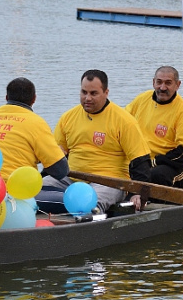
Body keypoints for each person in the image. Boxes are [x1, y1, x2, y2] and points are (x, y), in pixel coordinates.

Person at [37, 70, 152, 214]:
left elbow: (140, 162)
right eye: (84, 92)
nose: (87, 98)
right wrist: (40, 180)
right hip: (72, 179)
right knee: (31, 193)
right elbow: (56, 157)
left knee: (89, 206)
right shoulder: (67, 117)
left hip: (109, 183)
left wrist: (136, 193)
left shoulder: (125, 121)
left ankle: (88, 217)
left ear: (106, 92)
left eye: (93, 93)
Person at [0, 77, 68, 180]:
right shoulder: (36, 123)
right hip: (17, 190)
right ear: (34, 99)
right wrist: (58, 154)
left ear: (6, 98)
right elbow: (61, 171)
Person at [126, 66, 183, 188]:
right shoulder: (142, 99)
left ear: (177, 85)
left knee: (154, 175)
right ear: (153, 82)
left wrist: (156, 161)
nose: (162, 87)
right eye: (159, 82)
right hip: (140, 159)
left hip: (170, 166)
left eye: (168, 83)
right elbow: (123, 125)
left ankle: (150, 204)